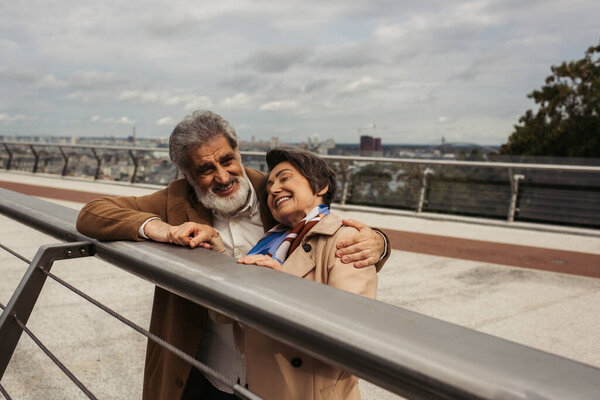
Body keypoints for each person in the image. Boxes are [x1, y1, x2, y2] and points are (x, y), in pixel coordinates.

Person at [76, 110, 389, 400]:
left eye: (227, 160)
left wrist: (379, 241)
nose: (223, 177)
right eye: (206, 170)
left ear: (239, 153)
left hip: (278, 381)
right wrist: (161, 229)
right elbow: (93, 213)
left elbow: (328, 233)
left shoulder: (275, 191)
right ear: (186, 175)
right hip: (207, 375)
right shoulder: (175, 201)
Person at [233, 148, 377, 399]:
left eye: (284, 178)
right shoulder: (269, 243)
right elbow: (223, 315)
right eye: (270, 186)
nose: (274, 189)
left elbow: (351, 331)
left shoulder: (347, 240)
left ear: (320, 185)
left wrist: (282, 284)